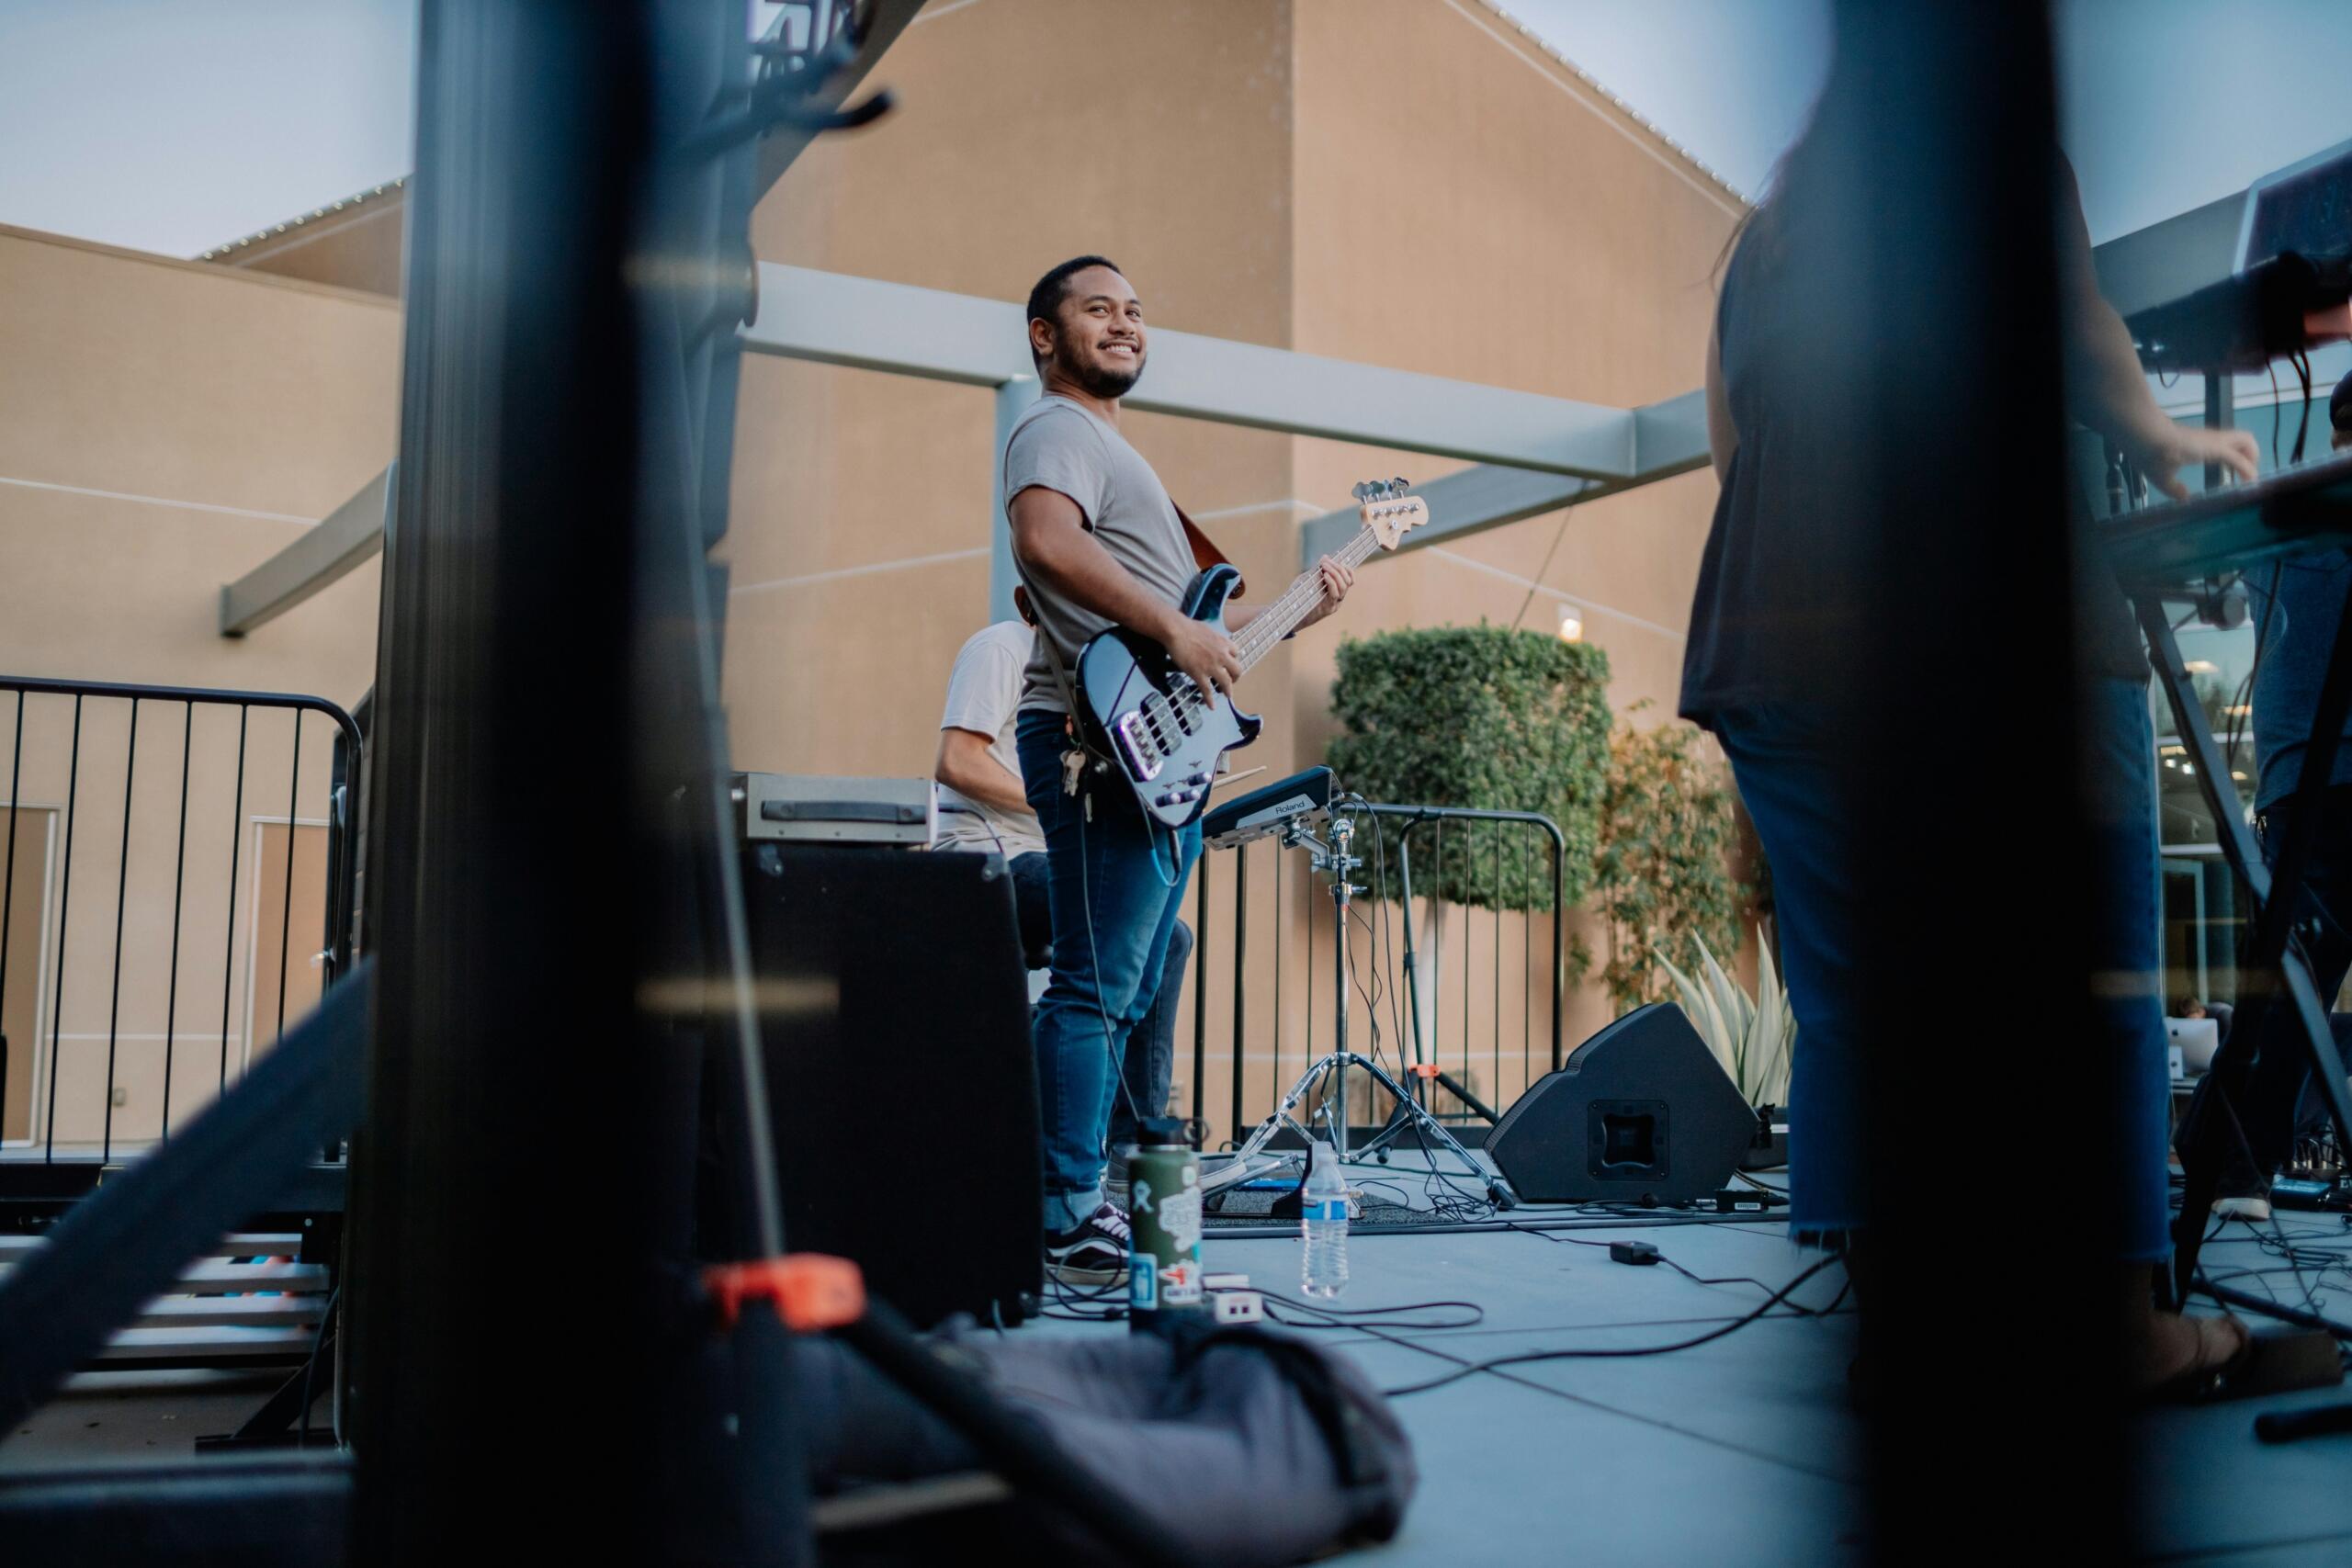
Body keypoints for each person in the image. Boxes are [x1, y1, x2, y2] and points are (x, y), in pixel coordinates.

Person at [1684, 106, 2258, 1390]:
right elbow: (2078, 321)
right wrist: (2164, 438)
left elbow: (1730, 453)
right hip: (1997, 623)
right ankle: (2125, 1326)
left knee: (1845, 1006)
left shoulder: (1761, 250)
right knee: (2100, 971)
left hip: (1774, 640)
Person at [1004, 254, 1354, 1284]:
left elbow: (1197, 632)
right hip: (1094, 745)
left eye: (1135, 312)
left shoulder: (1109, 448)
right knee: (1095, 985)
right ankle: (1063, 1211)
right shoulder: (1056, 428)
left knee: (1135, 972)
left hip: (1136, 745)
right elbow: (1041, 540)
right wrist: (1172, 625)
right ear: (1043, 335)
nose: (1123, 324)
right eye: (1096, 309)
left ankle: (1080, 1186)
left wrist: (1297, 603)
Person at [932, 592, 1193, 1194]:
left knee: (1166, 934)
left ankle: (1131, 1151)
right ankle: (1119, 1149)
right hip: (986, 862)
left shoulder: (1095, 684)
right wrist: (1069, 802)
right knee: (1148, 929)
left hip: (1048, 859)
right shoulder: (1003, 648)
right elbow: (956, 759)